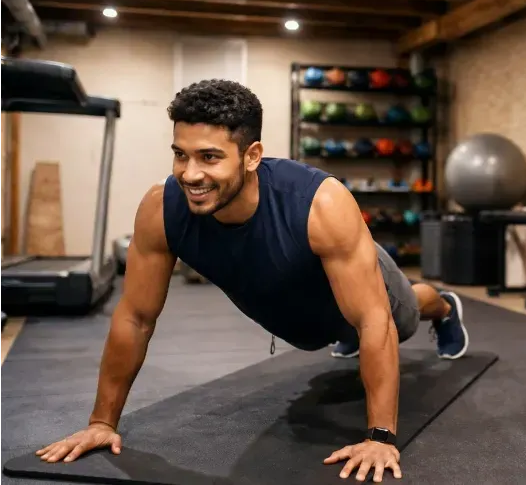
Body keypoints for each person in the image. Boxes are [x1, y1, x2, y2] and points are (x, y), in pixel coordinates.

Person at [34, 79, 469, 482]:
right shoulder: (161, 209)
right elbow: (135, 317)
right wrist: (100, 423)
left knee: (404, 313)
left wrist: (379, 438)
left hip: (364, 289)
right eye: (180, 154)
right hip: (310, 314)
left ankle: (446, 308)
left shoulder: (320, 204)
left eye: (209, 157)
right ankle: (346, 328)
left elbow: (376, 320)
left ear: (252, 155)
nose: (189, 174)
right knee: (340, 325)